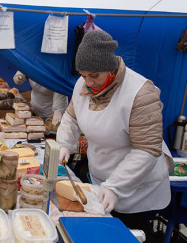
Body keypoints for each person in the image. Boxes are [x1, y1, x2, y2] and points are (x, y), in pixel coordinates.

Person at [57, 30, 173, 230]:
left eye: (95, 75)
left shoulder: (140, 93)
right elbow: (71, 117)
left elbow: (146, 150)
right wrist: (65, 143)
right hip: (101, 178)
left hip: (137, 187)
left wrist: (116, 186)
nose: (89, 82)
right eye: (84, 75)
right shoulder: (84, 84)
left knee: (123, 232)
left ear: (110, 69)